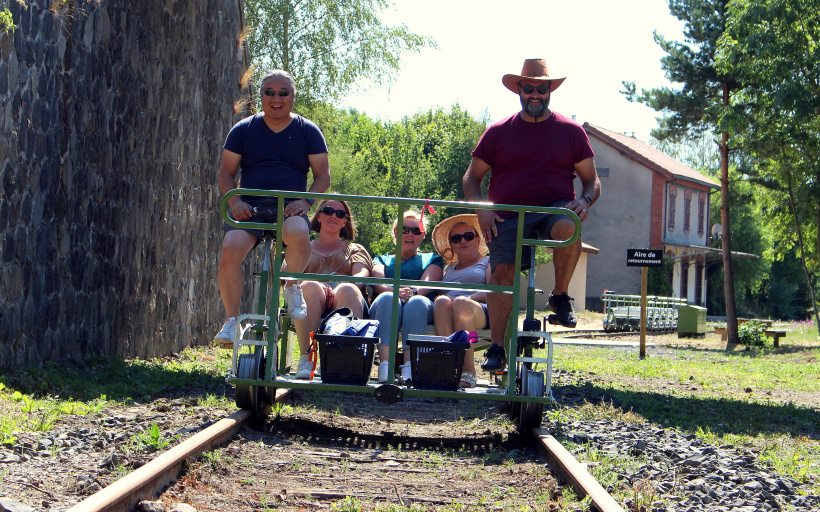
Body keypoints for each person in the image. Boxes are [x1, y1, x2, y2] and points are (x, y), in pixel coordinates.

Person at [462, 58, 601, 373]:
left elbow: (592, 180)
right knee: (500, 275)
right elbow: (471, 178)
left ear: (550, 89)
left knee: (570, 226)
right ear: (519, 90)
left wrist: (585, 200)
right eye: (529, 88)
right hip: (508, 215)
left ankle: (561, 296)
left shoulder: (571, 131)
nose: (535, 94)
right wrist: (482, 208)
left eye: (542, 88)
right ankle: (497, 347)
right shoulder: (498, 132)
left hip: (553, 210)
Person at [214, 70, 331, 344]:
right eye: (270, 92)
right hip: (250, 206)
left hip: (289, 206)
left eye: (283, 93)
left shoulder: (308, 131)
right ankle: (232, 321)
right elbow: (226, 173)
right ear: (261, 96)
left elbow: (323, 175)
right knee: (230, 248)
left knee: (298, 234)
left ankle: (292, 287)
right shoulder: (243, 129)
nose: (276, 98)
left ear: (293, 97)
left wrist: (306, 201)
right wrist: (235, 201)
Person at [289, 199, 373, 379]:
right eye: (328, 211)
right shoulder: (302, 249)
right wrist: (320, 287)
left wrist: (336, 288)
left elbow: (361, 277)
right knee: (308, 286)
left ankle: (345, 360)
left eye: (340, 214)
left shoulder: (355, 249)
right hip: (313, 299)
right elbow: (290, 279)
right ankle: (307, 358)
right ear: (319, 216)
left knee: (348, 289)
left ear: (345, 222)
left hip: (346, 299)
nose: (334, 216)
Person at [369, 210, 444, 384]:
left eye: (416, 231)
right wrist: (396, 292)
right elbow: (378, 282)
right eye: (405, 229)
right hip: (386, 305)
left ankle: (410, 367)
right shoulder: (382, 259)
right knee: (389, 299)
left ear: (422, 235)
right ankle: (385, 366)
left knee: (416, 302)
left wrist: (412, 293)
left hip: (419, 306)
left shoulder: (432, 259)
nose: (410, 234)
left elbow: (428, 283)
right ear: (396, 232)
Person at [430, 214, 491, 389]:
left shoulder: (488, 261)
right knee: (441, 301)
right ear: (452, 245)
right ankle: (447, 366)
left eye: (468, 236)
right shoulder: (448, 268)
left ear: (478, 239)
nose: (463, 241)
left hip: (479, 309)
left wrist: (466, 299)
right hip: (449, 311)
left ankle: (468, 369)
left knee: (461, 305)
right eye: (456, 238)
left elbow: (494, 292)